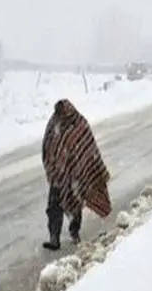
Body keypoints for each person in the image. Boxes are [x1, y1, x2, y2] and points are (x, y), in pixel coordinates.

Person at [41, 99, 112, 251]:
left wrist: (80, 167)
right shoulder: (54, 123)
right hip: (58, 175)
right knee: (54, 205)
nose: (60, 115)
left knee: (74, 202)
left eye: (62, 112)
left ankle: (74, 232)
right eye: (58, 112)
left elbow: (87, 146)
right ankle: (54, 237)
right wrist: (53, 167)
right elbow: (47, 146)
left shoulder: (78, 123)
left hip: (76, 173)